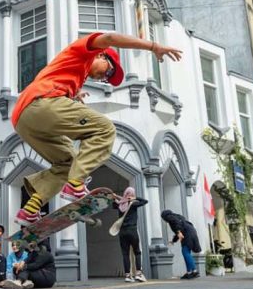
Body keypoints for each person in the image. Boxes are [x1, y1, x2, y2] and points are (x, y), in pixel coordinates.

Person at [12, 32, 182, 225]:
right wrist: (153, 46)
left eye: (107, 79)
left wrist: (73, 96)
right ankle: (76, 185)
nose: (105, 78)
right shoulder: (83, 52)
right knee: (105, 129)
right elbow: (110, 39)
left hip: (23, 119)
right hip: (40, 104)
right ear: (101, 55)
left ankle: (31, 209)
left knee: (67, 162)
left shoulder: (73, 76)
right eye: (108, 71)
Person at [114, 186, 148, 282]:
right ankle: (138, 274)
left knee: (125, 253)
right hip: (132, 230)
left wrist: (117, 198)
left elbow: (113, 204)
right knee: (137, 251)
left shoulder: (119, 205)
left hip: (122, 232)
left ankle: (128, 276)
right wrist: (134, 198)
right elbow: (145, 201)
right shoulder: (133, 204)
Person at [161, 210, 201, 279]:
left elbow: (177, 225)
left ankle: (194, 271)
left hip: (187, 234)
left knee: (185, 252)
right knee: (186, 252)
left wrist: (179, 232)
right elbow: (179, 227)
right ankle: (189, 272)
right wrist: (174, 240)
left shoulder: (170, 217)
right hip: (191, 232)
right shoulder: (177, 216)